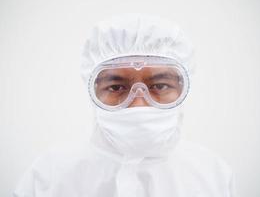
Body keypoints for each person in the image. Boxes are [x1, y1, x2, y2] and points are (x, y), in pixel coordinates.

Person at [13, 13, 235, 197]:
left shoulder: (212, 175)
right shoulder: (50, 175)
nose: (138, 103)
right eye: (116, 87)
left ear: (183, 88)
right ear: (92, 90)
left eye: (159, 85)